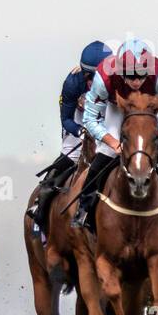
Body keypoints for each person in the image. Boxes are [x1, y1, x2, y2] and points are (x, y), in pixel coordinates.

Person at [71, 37, 158, 230]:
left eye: (141, 75)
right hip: (116, 108)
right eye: (130, 76)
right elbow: (91, 119)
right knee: (106, 152)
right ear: (119, 71)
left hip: (146, 112)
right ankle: (85, 205)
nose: (136, 82)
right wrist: (113, 142)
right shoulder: (104, 76)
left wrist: (157, 137)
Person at [27, 40, 111, 235]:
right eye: (92, 79)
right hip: (79, 126)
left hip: (107, 126)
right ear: (85, 74)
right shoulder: (73, 82)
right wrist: (81, 132)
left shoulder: (118, 81)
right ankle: (40, 209)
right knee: (65, 162)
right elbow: (66, 119)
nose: (96, 84)